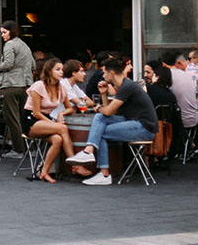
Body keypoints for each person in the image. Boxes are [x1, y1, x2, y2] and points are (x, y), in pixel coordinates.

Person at [66, 57, 158, 186]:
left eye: (104, 73)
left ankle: (102, 172)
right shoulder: (124, 85)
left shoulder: (127, 86)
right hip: (133, 122)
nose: (103, 76)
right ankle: (89, 152)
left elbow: (108, 111)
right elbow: (110, 112)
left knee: (101, 131)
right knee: (99, 118)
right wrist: (103, 94)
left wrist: (98, 107)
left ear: (112, 73)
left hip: (144, 127)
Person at [21, 57, 91, 182]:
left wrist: (61, 114)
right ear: (49, 71)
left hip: (46, 120)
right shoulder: (39, 86)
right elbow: (36, 112)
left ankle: (44, 172)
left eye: (62, 70)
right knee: (63, 127)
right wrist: (55, 123)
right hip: (31, 119)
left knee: (58, 139)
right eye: (57, 69)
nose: (61, 72)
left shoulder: (61, 88)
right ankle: (75, 165)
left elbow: (71, 108)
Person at [0, 20, 35, 158]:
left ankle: (18, 150)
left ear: (11, 31)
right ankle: (29, 148)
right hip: (25, 85)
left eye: (4, 32)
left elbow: (8, 64)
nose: (2, 35)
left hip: (10, 85)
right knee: (24, 118)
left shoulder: (9, 45)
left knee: (12, 119)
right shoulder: (24, 45)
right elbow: (33, 65)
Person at [162, 51, 198, 131]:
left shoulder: (168, 75)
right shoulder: (187, 75)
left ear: (163, 65)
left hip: (180, 121)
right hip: (194, 118)